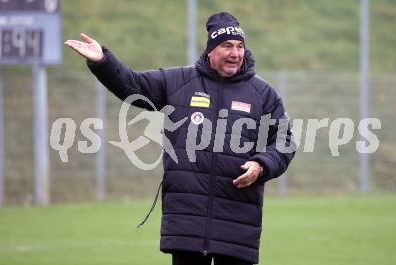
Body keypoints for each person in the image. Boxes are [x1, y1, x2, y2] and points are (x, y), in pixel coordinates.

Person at [65, 11, 295, 265]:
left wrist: (261, 165)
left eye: (240, 46)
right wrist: (103, 62)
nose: (235, 53)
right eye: (227, 46)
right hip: (188, 221)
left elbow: (285, 141)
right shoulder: (179, 81)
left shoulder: (262, 93)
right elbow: (133, 86)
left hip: (237, 222)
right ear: (210, 51)